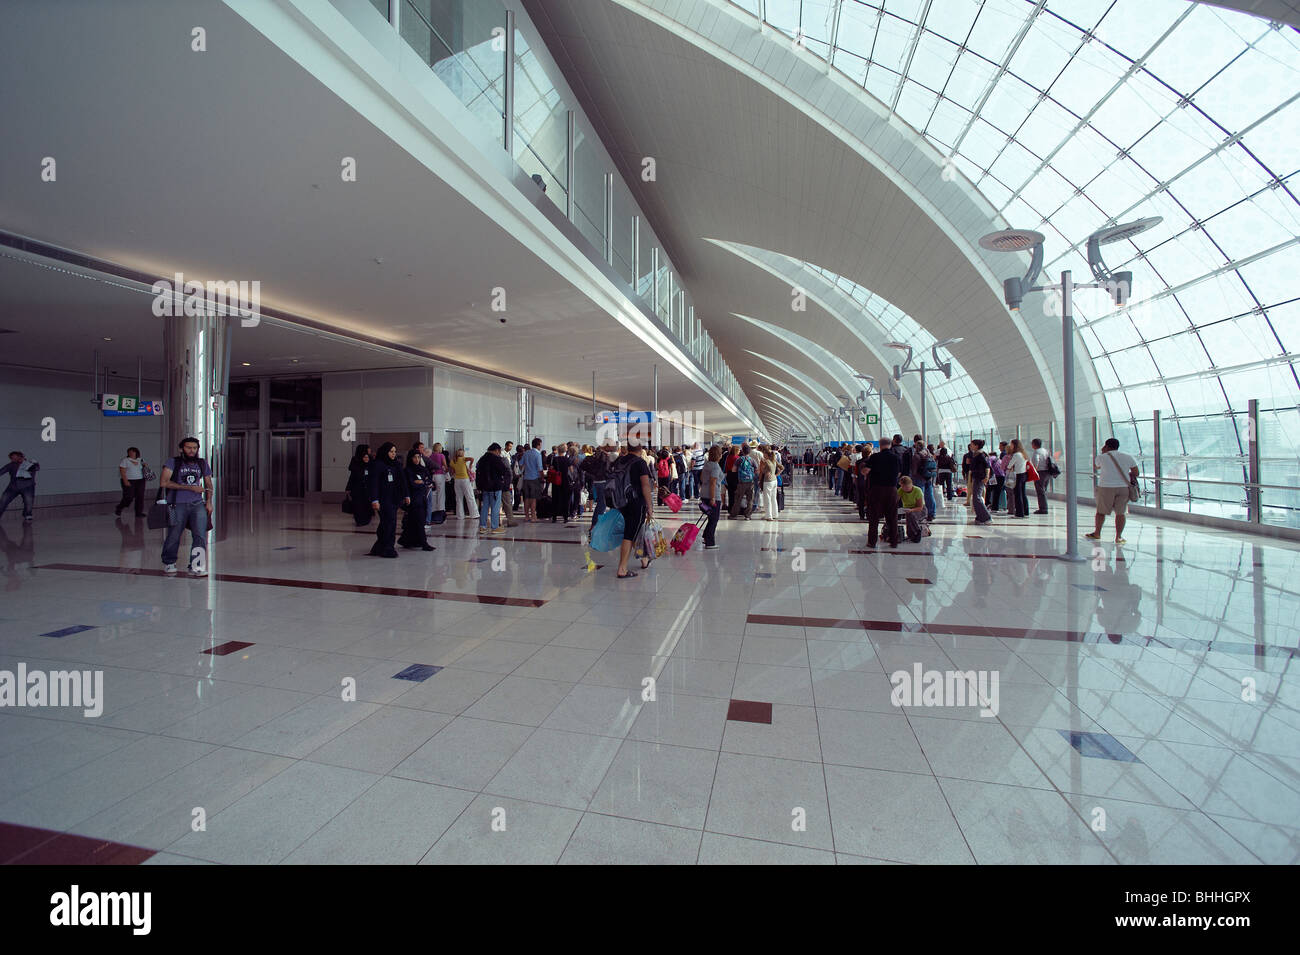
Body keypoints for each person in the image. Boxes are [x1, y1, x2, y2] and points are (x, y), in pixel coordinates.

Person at [158, 437, 212, 574]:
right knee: (174, 534)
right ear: (182, 449)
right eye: (189, 448)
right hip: (176, 504)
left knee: (200, 535)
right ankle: (169, 562)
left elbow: (208, 484)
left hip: (198, 504)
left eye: (194, 448)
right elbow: (164, 482)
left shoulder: (202, 463)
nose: (192, 450)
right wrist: (189, 488)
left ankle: (196, 565)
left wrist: (209, 501)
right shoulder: (173, 462)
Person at [612, 438, 655, 579]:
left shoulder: (620, 460)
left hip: (622, 502)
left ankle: (644, 559)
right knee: (630, 534)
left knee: (636, 530)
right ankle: (622, 569)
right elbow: (645, 485)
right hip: (637, 502)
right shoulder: (640, 463)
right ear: (641, 447)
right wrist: (649, 506)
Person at [1089, 437, 1139, 544]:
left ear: (1106, 446)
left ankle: (1097, 533)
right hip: (1123, 487)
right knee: (1121, 513)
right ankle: (1118, 537)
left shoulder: (1101, 457)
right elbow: (1136, 473)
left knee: (1101, 512)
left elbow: (1096, 467)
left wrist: (1103, 452)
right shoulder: (1128, 457)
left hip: (1106, 487)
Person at [367, 442, 408, 557]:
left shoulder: (396, 464)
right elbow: (373, 483)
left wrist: (406, 495)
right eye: (391, 451)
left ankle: (380, 546)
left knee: (387, 523)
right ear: (385, 452)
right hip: (383, 499)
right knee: (390, 523)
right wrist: (374, 500)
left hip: (394, 498)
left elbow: (402, 481)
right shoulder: (378, 465)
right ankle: (388, 548)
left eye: (395, 451)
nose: (393, 454)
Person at [862, 437, 900, 548]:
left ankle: (872, 542)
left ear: (880, 444)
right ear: (890, 444)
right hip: (892, 490)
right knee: (892, 516)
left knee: (874, 516)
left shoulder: (874, 457)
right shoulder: (896, 458)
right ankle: (894, 541)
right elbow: (899, 473)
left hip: (877, 489)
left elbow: (866, 471)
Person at [399, 448, 435, 551]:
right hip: (413, 499)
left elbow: (428, 480)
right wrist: (421, 483)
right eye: (414, 457)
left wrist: (423, 482)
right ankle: (424, 543)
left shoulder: (422, 469)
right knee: (419, 521)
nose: (417, 459)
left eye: (419, 457)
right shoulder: (407, 470)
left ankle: (406, 540)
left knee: (414, 521)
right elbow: (409, 484)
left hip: (422, 498)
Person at [476, 443, 512, 535]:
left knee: (485, 507)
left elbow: (478, 473)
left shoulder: (482, 459)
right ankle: (495, 527)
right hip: (495, 486)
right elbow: (503, 470)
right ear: (496, 450)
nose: (499, 453)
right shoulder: (496, 459)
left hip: (485, 487)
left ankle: (482, 526)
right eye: (499, 451)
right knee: (495, 507)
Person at [0, 452, 39, 523]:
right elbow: (2, 471)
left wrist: (32, 463)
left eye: (15, 457)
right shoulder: (11, 465)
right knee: (3, 500)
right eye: (12, 458)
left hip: (28, 486)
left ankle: (27, 514)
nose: (14, 459)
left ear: (20, 456)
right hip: (13, 487)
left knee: (29, 501)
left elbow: (36, 468)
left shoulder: (30, 463)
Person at [581, 441, 612, 527]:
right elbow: (607, 470)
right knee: (602, 505)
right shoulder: (605, 456)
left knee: (600, 504)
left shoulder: (595, 455)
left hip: (596, 481)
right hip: (603, 482)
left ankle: (596, 524)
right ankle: (595, 525)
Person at [700, 445, 724, 549]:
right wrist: (713, 497)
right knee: (714, 519)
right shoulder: (715, 466)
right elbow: (713, 482)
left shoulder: (707, 464)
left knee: (710, 518)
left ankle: (706, 536)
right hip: (713, 495)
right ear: (718, 455)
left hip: (704, 494)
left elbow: (701, 477)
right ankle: (710, 542)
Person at [909, 436, 937, 522]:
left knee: (919, 496)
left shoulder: (916, 456)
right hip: (928, 477)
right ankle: (932, 513)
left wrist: (911, 478)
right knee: (929, 495)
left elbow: (914, 470)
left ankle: (920, 514)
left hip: (918, 478)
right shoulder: (929, 454)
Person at [115, 447, 149, 517]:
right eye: (129, 452)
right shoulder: (125, 460)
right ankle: (120, 507)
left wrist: (145, 465)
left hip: (140, 480)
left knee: (140, 497)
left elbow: (145, 469)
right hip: (129, 480)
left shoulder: (141, 460)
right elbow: (122, 472)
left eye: (132, 452)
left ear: (136, 452)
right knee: (129, 497)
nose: (131, 453)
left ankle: (138, 512)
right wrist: (125, 481)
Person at [345, 445, 374, 527]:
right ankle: (359, 520)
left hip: (367, 488)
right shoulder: (355, 461)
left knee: (366, 504)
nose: (370, 451)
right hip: (357, 488)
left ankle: (365, 519)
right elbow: (352, 476)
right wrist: (348, 487)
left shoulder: (370, 460)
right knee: (358, 505)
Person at [967, 441, 993, 525]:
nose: (970, 446)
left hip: (980, 478)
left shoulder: (981, 455)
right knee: (975, 498)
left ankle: (986, 517)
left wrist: (986, 477)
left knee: (977, 498)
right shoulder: (976, 454)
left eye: (972, 445)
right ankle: (980, 517)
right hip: (976, 477)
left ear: (976, 446)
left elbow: (987, 466)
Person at [450, 448, 478, 520]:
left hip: (457, 480)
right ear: (462, 454)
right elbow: (472, 458)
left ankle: (460, 516)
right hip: (465, 479)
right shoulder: (463, 459)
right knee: (470, 496)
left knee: (459, 498)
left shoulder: (453, 461)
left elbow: (452, 472)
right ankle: (474, 514)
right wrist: (470, 465)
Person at [731, 443, 757, 520]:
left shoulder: (739, 459)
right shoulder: (752, 460)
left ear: (742, 451)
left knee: (738, 499)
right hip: (750, 482)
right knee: (750, 499)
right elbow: (756, 470)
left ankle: (734, 514)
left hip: (741, 482)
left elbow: (733, 470)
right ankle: (747, 515)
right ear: (749, 451)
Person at [898, 476, 928, 542]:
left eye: (907, 487)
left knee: (911, 515)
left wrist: (911, 510)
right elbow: (895, 500)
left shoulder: (917, 491)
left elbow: (920, 507)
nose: (905, 489)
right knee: (909, 516)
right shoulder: (901, 490)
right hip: (908, 509)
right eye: (903, 487)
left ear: (911, 484)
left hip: (920, 510)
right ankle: (910, 535)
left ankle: (916, 532)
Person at [521, 437, 544, 521]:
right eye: (540, 445)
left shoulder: (526, 453)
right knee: (533, 498)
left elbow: (520, 464)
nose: (541, 446)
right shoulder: (538, 454)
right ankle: (533, 516)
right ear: (538, 445)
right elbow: (540, 468)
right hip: (535, 478)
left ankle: (526, 516)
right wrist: (542, 477)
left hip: (526, 478)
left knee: (526, 498)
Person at [1005, 438, 1030, 518]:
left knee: (1018, 494)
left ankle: (1019, 513)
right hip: (1024, 474)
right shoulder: (1023, 454)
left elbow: (1009, 465)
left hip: (1018, 475)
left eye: (1011, 444)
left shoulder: (1016, 455)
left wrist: (1010, 467)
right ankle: (1026, 511)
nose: (1010, 446)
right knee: (1023, 494)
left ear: (1014, 445)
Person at [426, 442, 449, 524]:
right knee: (441, 494)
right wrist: (447, 470)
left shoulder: (431, 456)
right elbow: (445, 466)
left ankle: (433, 510)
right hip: (440, 475)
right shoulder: (441, 456)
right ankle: (441, 510)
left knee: (433, 494)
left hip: (432, 476)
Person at [759, 448, 780, 521]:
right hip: (774, 481)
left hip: (768, 481)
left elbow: (763, 471)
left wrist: (763, 467)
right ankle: (775, 514)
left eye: (764, 453)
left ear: (767, 455)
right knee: (773, 498)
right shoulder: (774, 461)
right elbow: (782, 468)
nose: (763, 455)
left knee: (767, 499)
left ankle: (769, 516)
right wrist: (775, 474)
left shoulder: (766, 461)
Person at [1030, 438, 1050, 514]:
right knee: (1044, 490)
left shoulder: (1036, 452)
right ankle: (1044, 507)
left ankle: (1043, 508)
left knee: (1040, 491)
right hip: (1047, 472)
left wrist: (1034, 473)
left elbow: (1036, 462)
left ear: (1034, 444)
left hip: (1040, 472)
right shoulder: (1045, 451)